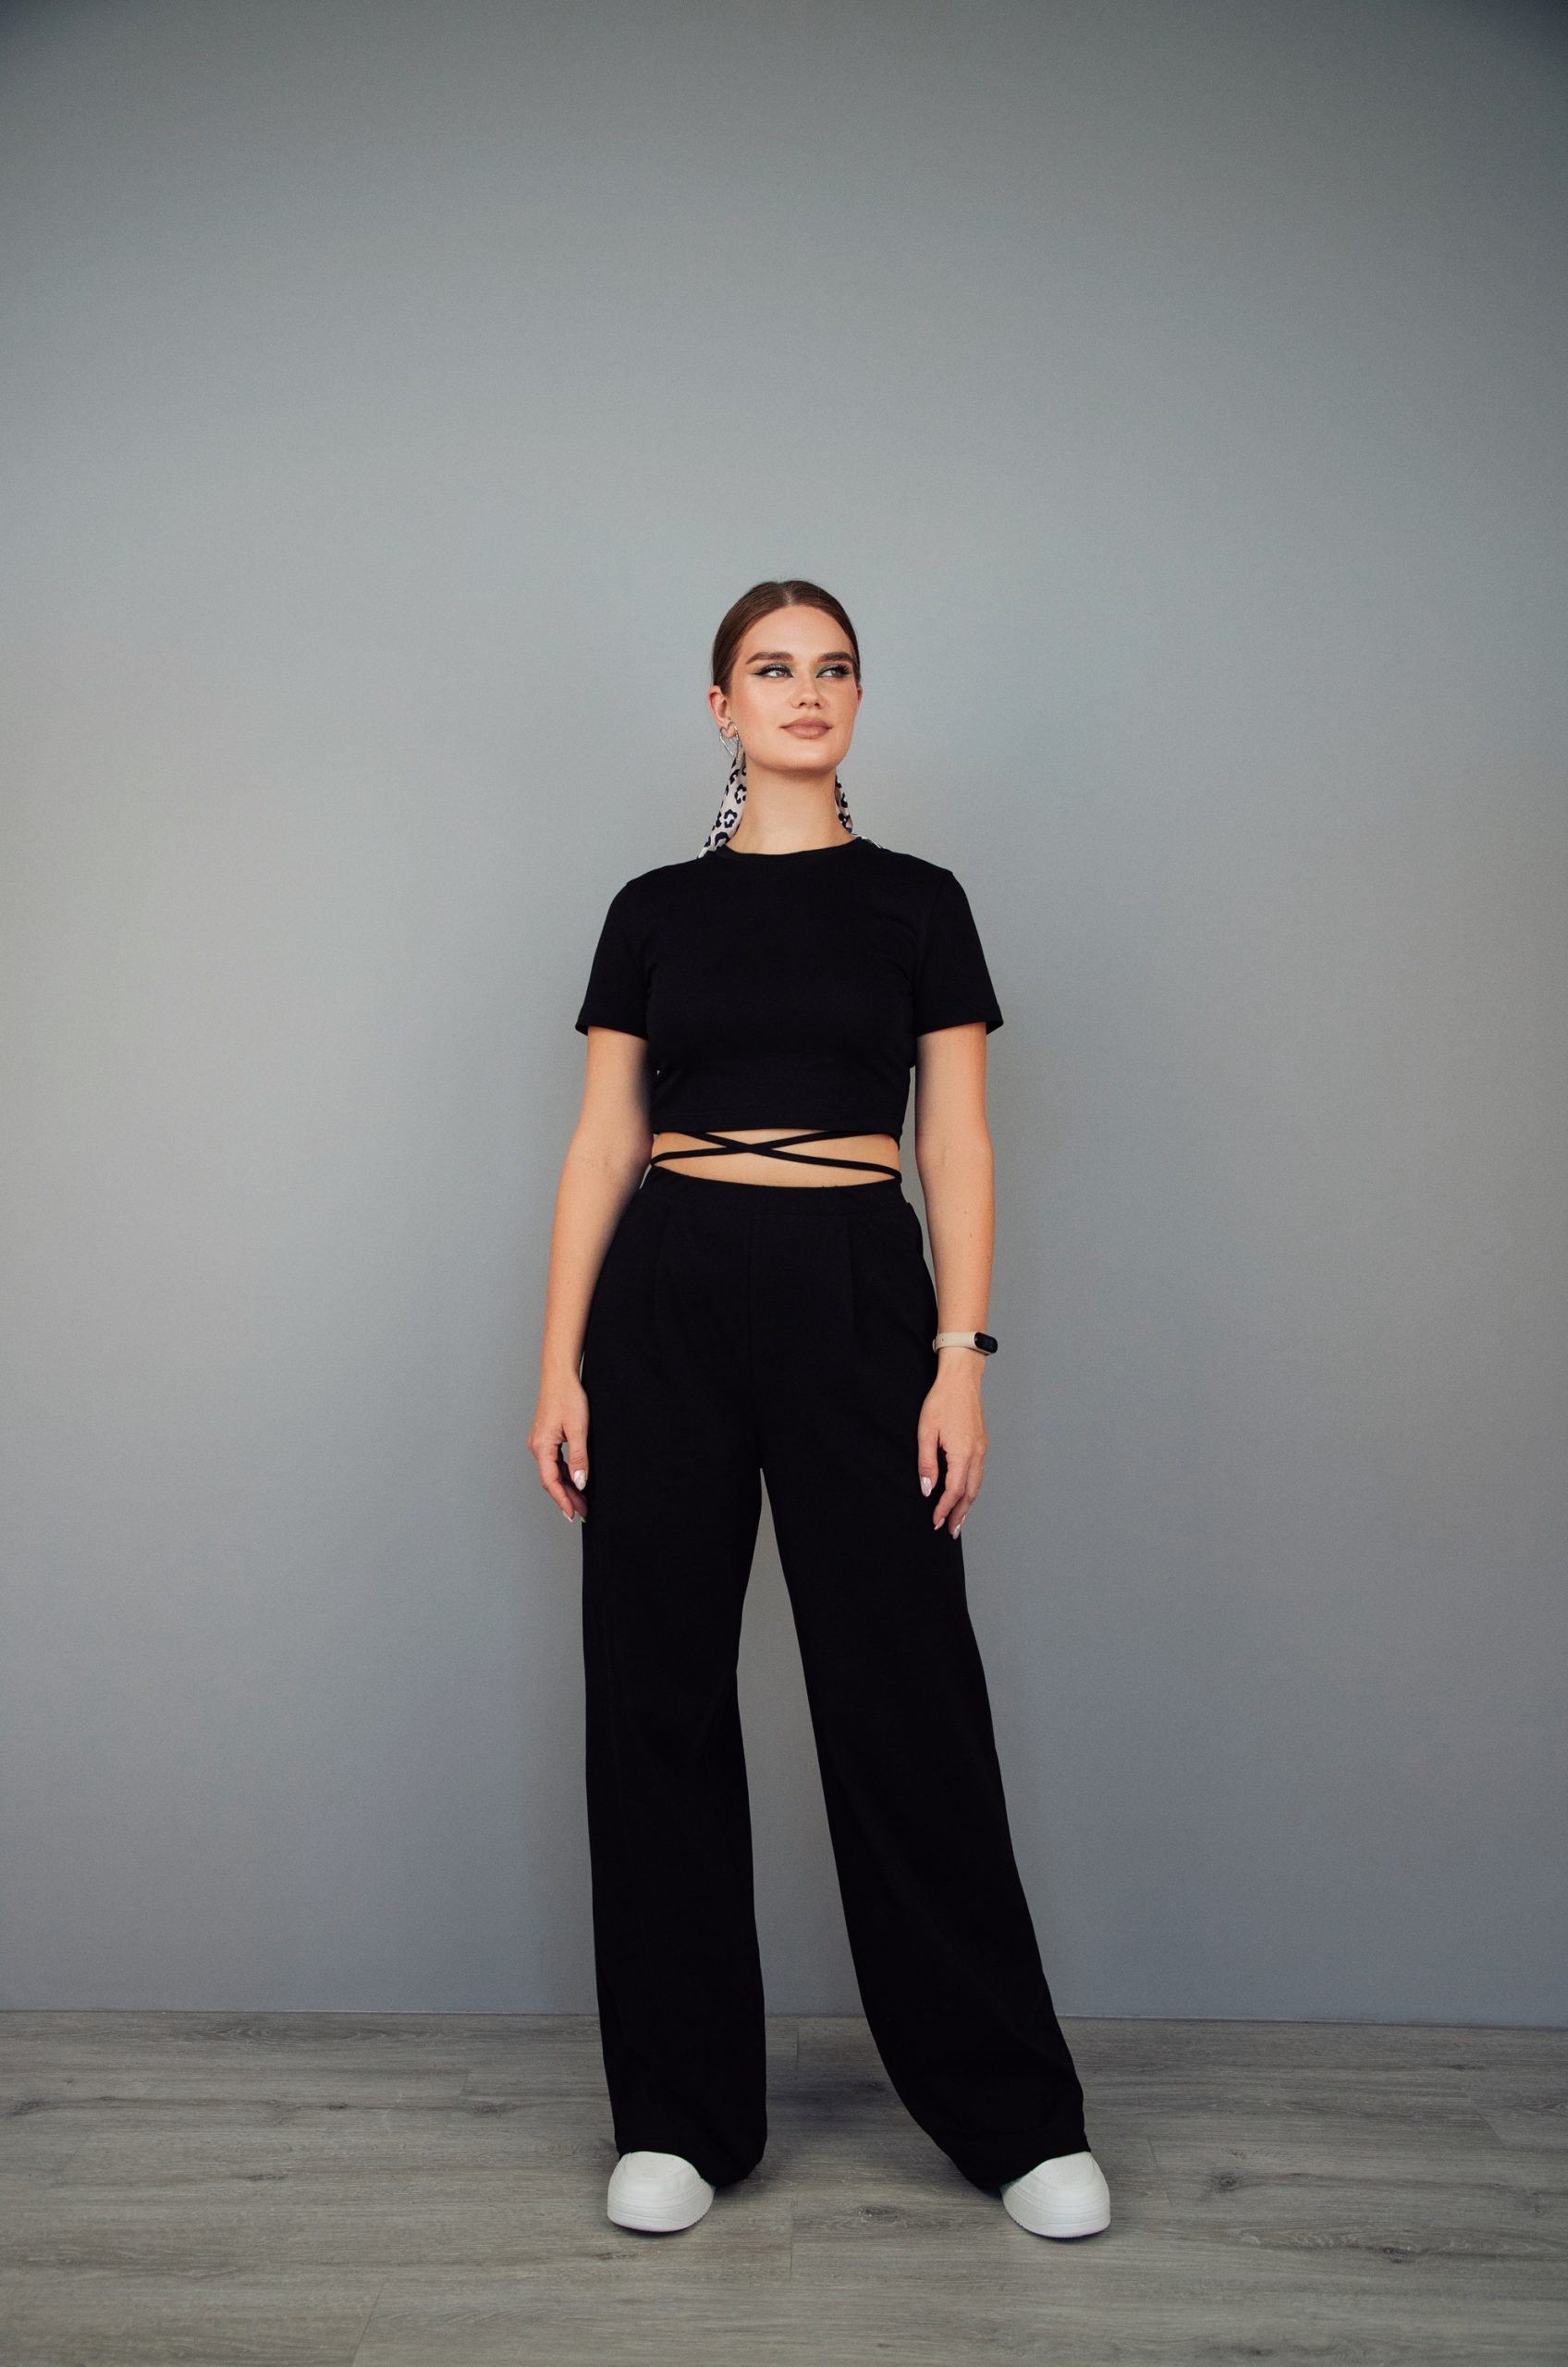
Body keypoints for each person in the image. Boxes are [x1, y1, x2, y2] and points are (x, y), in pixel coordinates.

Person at [530, 579, 1109, 2242]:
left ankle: (1011, 2117)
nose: (807, 690)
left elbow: (959, 1143)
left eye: (834, 667)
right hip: (670, 1291)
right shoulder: (653, 909)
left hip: (858, 1287)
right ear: (721, 706)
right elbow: (603, 1142)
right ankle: (678, 2119)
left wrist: (960, 1353)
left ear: (859, 699)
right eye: (772, 669)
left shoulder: (919, 902)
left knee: (905, 1693)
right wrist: (558, 1360)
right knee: (655, 1695)